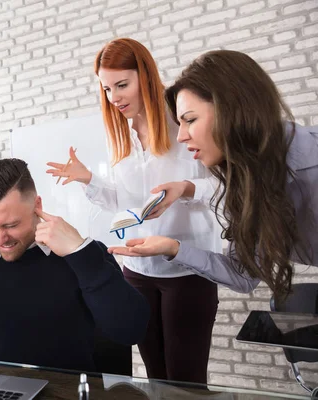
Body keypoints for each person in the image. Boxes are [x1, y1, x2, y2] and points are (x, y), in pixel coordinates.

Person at [46, 38, 223, 383]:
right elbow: (125, 205)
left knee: (186, 383)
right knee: (156, 379)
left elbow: (225, 190)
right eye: (107, 89)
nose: (115, 98)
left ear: (146, 75)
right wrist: (88, 179)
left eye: (122, 85)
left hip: (186, 270)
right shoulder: (122, 135)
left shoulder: (184, 123)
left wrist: (186, 190)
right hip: (137, 271)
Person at [108, 49, 318, 302]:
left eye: (190, 120)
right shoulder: (248, 184)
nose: (181, 136)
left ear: (233, 110)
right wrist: (173, 248)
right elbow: (244, 276)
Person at [0, 158, 150, 372]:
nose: (0, 239)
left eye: (11, 225)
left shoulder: (82, 255)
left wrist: (80, 252)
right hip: (9, 389)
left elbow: (130, 330)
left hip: (69, 393)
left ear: (37, 206)